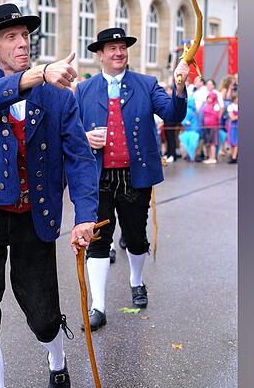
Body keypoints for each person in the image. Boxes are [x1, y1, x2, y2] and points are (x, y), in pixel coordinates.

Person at [0, 3, 98, 388]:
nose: (22, 43)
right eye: (11, 37)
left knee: (41, 310)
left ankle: (57, 361)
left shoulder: (60, 96)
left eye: (25, 35)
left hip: (35, 214)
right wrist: (39, 74)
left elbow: (78, 158)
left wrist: (85, 216)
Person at [75, 26, 189, 331]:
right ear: (99, 55)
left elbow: (173, 115)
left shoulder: (147, 84)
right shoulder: (84, 90)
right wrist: (85, 138)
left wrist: (179, 86)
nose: (118, 52)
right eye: (111, 48)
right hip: (97, 178)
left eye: (122, 47)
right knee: (98, 241)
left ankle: (136, 282)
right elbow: (70, 132)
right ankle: (98, 305)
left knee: (136, 239)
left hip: (135, 176)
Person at [201, 79, 222, 163]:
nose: (209, 99)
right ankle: (209, 157)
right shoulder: (206, 104)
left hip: (213, 125)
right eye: (208, 97)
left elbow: (217, 115)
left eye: (210, 97)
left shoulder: (216, 105)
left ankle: (213, 158)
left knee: (213, 142)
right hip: (206, 125)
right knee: (208, 142)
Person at [227, 88, 239, 163]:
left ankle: (234, 157)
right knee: (232, 142)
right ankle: (232, 155)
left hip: (237, 126)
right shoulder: (230, 106)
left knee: (237, 142)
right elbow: (232, 118)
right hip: (233, 126)